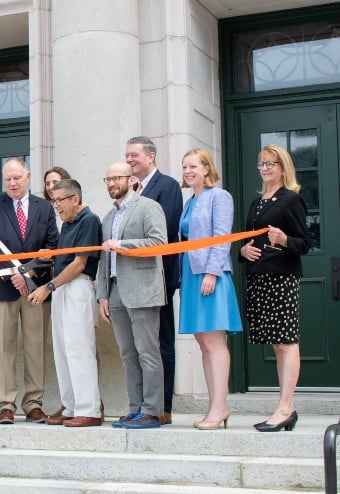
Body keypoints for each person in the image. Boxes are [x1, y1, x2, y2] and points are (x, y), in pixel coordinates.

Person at [0, 157, 58, 424]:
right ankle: (6, 405)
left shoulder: (45, 208)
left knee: (36, 347)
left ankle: (34, 404)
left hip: (36, 288)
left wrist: (29, 273)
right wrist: (14, 273)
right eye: (8, 179)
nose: (12, 183)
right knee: (3, 348)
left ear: (28, 176)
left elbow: (51, 246)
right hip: (3, 288)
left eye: (17, 178)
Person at [239, 144, 309, 432]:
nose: (266, 169)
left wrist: (283, 240)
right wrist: (242, 252)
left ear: (283, 167)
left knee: (286, 341)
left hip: (282, 277)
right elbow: (246, 240)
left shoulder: (291, 200)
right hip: (259, 277)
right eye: (262, 164)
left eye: (271, 163)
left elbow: (304, 243)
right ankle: (286, 408)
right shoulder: (257, 203)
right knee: (276, 343)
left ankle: (285, 407)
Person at [96, 162, 168, 429]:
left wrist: (123, 245)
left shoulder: (148, 207)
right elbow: (105, 260)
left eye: (116, 178)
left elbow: (159, 243)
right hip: (115, 292)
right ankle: (135, 408)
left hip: (143, 290)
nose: (112, 183)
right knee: (127, 354)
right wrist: (102, 296)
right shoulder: (108, 217)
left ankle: (152, 411)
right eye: (108, 179)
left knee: (148, 352)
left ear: (130, 180)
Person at [28, 179, 103, 427]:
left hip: (77, 287)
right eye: (53, 201)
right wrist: (48, 259)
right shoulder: (67, 224)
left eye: (60, 200)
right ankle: (70, 406)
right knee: (62, 351)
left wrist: (48, 287)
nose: (56, 206)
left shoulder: (89, 220)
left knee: (79, 350)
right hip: (62, 289)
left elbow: (79, 263)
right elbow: (64, 260)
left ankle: (89, 409)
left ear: (75, 199)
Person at [178, 149, 243, 430]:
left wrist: (212, 273)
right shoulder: (189, 201)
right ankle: (214, 405)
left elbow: (222, 237)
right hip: (191, 276)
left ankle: (220, 407)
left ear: (207, 168)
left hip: (210, 275)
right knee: (203, 343)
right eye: (184, 167)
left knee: (215, 342)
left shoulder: (220, 196)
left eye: (193, 166)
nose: (188, 171)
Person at [125, 136, 182, 425]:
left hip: (159, 278)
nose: (130, 160)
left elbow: (166, 230)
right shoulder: (129, 190)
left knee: (162, 344)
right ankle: (143, 404)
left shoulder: (167, 186)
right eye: (127, 156)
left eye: (134, 155)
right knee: (138, 347)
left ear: (151, 156)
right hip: (130, 281)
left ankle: (163, 406)